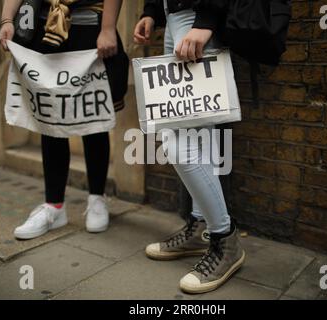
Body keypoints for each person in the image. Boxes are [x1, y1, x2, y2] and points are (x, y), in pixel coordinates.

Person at [134, 0, 245, 294]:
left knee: (178, 145)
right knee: (199, 141)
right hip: (175, 16)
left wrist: (206, 20)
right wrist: (153, 12)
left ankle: (226, 238)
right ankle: (201, 229)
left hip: (196, 14)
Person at [0, 0, 128, 239]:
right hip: (44, 28)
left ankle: (97, 198)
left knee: (92, 117)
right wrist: (7, 20)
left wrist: (108, 28)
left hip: (90, 25)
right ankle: (54, 206)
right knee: (50, 118)